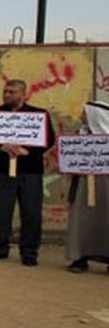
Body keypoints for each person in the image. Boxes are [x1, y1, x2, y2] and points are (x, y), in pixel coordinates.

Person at [0, 79, 55, 266]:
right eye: (6, 91)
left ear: (23, 94)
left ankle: (29, 251)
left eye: (12, 92)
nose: (7, 95)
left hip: (30, 171)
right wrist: (0, 146)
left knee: (31, 212)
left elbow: (49, 139)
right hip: (1, 171)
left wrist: (28, 151)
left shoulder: (38, 115)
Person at [65, 101, 109, 274]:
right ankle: (80, 257)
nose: (81, 116)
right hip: (83, 184)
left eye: (84, 112)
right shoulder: (80, 134)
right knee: (80, 220)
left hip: (105, 184)